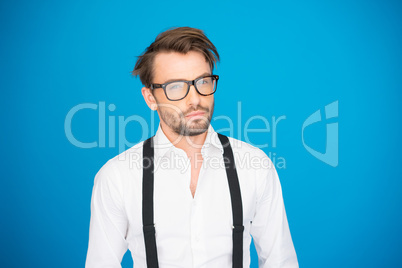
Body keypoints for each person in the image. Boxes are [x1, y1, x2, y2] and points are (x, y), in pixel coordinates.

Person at [85, 27, 298, 268]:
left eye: (203, 81)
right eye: (176, 86)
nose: (195, 98)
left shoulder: (256, 166)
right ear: (150, 98)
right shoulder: (117, 177)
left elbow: (280, 262)